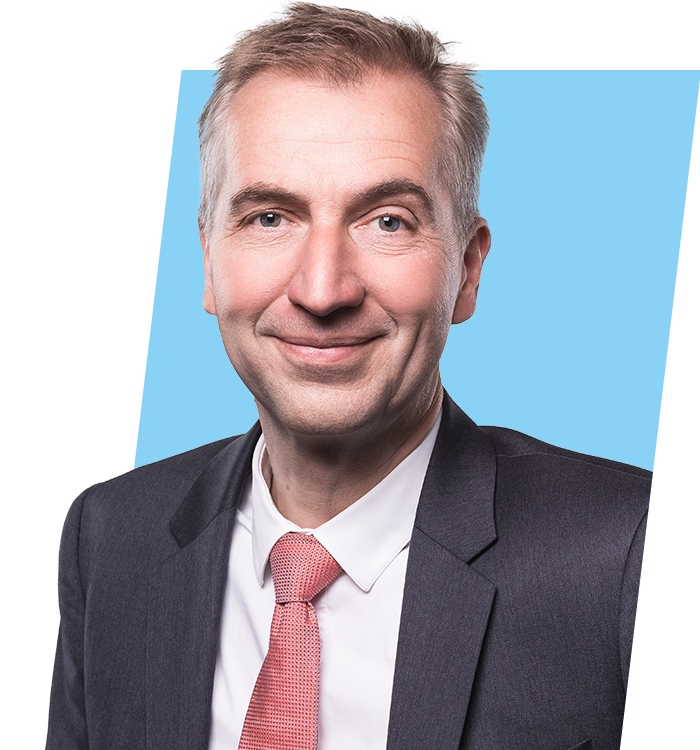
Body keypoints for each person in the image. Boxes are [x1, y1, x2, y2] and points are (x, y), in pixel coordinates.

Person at [46, 3, 650, 749]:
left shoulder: (622, 554)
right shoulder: (108, 538)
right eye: (270, 217)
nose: (322, 290)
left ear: (467, 270)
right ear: (208, 259)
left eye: (387, 220)